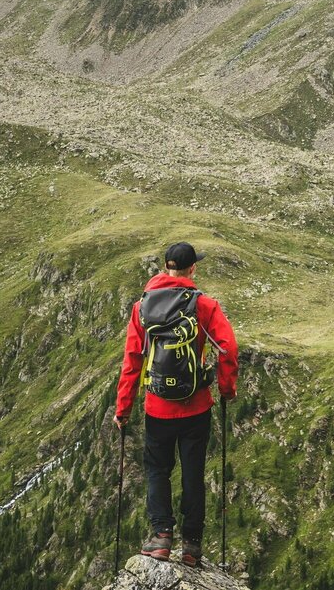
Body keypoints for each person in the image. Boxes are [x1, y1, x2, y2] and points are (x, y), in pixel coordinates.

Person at [114, 242, 238, 567]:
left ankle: (161, 538)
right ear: (193, 268)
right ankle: (192, 547)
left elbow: (132, 362)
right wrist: (227, 390)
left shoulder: (141, 308)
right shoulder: (204, 305)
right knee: (193, 474)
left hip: (157, 408)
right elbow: (227, 349)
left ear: (165, 267)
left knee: (158, 470)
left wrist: (122, 410)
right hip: (196, 406)